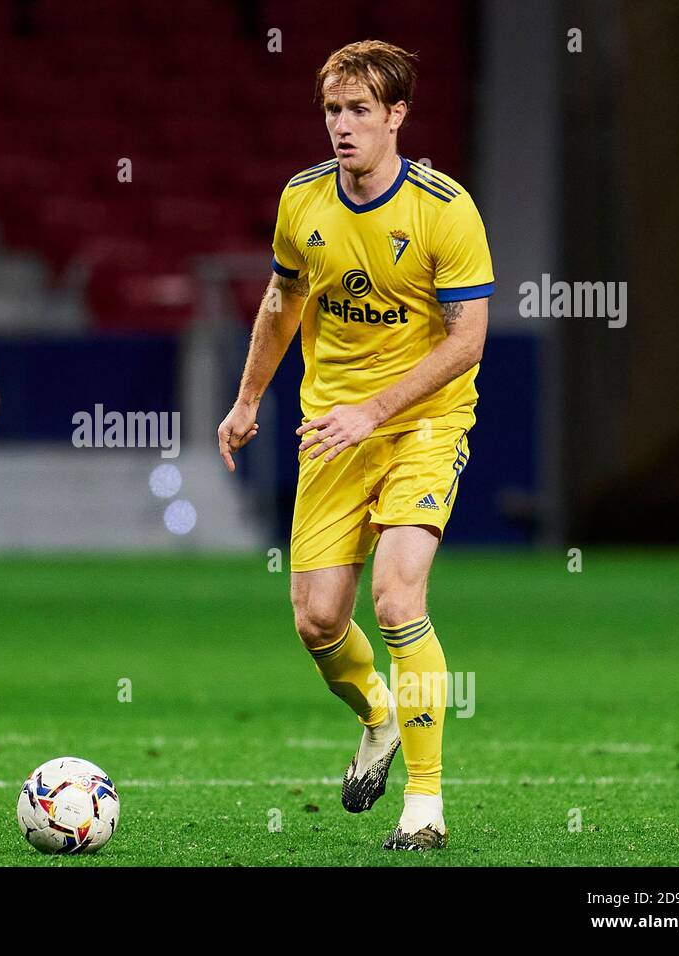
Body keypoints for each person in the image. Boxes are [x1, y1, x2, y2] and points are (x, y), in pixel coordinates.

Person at [217, 40, 493, 849]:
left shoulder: (445, 210)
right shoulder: (301, 201)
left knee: (399, 597)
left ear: (397, 115)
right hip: (331, 431)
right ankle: (378, 714)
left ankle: (427, 805)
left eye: (360, 110)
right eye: (333, 110)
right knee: (316, 620)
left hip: (423, 423)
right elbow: (280, 301)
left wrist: (375, 412)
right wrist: (245, 400)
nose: (342, 125)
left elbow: (468, 339)